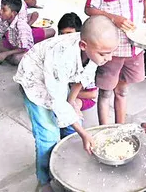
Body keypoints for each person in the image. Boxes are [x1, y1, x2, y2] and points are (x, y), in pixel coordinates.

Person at [13, 16, 119, 192]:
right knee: (48, 135)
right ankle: (44, 180)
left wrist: (72, 102)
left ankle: (64, 168)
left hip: (56, 81)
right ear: (84, 45)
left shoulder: (95, 50)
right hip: (35, 81)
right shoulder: (61, 57)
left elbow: (82, 77)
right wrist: (84, 133)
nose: (109, 58)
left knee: (72, 128)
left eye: (112, 52)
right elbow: (57, 102)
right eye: (104, 54)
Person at [0, 0, 54, 64]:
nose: (0, 12)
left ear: (13, 13)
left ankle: (6, 55)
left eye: (4, 10)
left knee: (16, 59)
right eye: (1, 8)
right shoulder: (4, 20)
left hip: (23, 49)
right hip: (13, 44)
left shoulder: (21, 26)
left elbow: (24, 48)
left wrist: (6, 53)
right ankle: (6, 55)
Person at [57, 13, 99, 115]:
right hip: (68, 91)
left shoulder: (88, 58)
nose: (65, 38)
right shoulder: (61, 50)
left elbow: (92, 94)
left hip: (82, 97)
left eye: (69, 33)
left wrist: (67, 96)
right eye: (62, 34)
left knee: (69, 111)